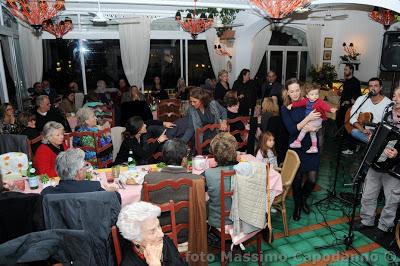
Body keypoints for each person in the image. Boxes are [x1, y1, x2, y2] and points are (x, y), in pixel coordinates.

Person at [141, 139, 201, 242]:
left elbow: (143, 208)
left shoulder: (149, 178)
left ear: (163, 157)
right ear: (184, 160)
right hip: (188, 233)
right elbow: (200, 211)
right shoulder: (196, 180)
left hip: (158, 233)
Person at [281, 78, 322, 221]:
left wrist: (318, 125)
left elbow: (320, 117)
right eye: (292, 91)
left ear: (301, 89)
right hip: (296, 145)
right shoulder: (285, 108)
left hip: (311, 145)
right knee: (297, 180)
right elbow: (292, 129)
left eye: (297, 90)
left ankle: (303, 199)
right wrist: (308, 118)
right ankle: (298, 206)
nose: (295, 94)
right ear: (287, 92)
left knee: (312, 179)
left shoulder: (309, 101)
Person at [117, 201, 187, 266]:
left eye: (159, 226)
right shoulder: (128, 263)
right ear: (136, 240)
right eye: (152, 231)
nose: (161, 234)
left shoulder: (164, 241)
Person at [287, 83, 337, 153]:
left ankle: (298, 142)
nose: (315, 96)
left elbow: (325, 106)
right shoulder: (306, 101)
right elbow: (299, 103)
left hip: (317, 119)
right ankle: (314, 147)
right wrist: (292, 105)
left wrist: (330, 109)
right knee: (312, 134)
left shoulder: (319, 101)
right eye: (312, 94)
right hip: (311, 120)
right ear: (307, 96)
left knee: (304, 128)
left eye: (316, 94)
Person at [205, 132, 238, 228]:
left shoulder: (209, 173)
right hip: (241, 219)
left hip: (218, 221)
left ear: (214, 154)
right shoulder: (243, 169)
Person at [41, 148, 105, 195]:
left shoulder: (47, 193)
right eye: (84, 166)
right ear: (79, 173)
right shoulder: (95, 188)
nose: (86, 169)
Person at [349, 77, 392, 144]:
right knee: (354, 132)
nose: (373, 88)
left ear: (381, 88)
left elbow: (389, 124)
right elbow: (352, 117)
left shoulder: (388, 103)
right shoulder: (362, 99)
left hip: (379, 132)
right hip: (366, 131)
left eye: (375, 86)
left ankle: (375, 144)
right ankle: (376, 144)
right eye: (371, 86)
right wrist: (362, 129)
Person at [260, 97, 288, 164]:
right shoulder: (278, 116)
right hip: (281, 144)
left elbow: (264, 131)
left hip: (270, 142)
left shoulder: (265, 115)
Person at [336, 64, 361, 129]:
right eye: (344, 69)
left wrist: (348, 101)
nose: (344, 71)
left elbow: (357, 95)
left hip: (348, 106)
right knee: (338, 122)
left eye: (346, 69)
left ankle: (342, 137)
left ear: (351, 70)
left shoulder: (355, 81)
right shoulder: (346, 80)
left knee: (345, 124)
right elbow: (346, 92)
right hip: (342, 104)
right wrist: (340, 100)